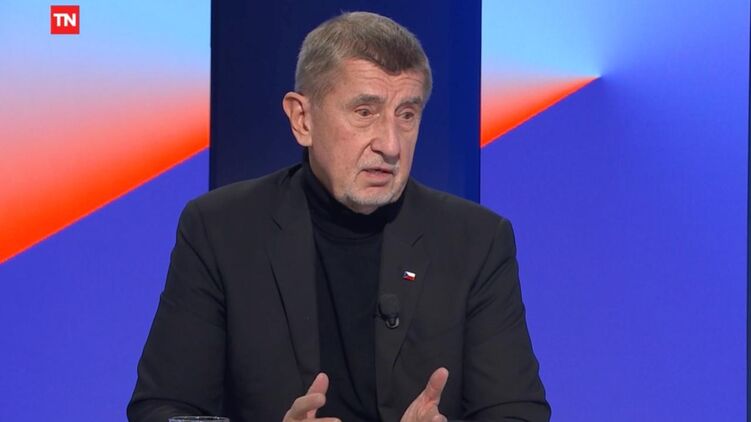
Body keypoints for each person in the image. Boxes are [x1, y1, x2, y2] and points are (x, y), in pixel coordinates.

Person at [128, 11, 550, 422]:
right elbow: (163, 409)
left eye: (406, 115)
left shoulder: (475, 241)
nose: (390, 145)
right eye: (365, 112)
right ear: (303, 119)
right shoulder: (221, 229)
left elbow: (517, 413)